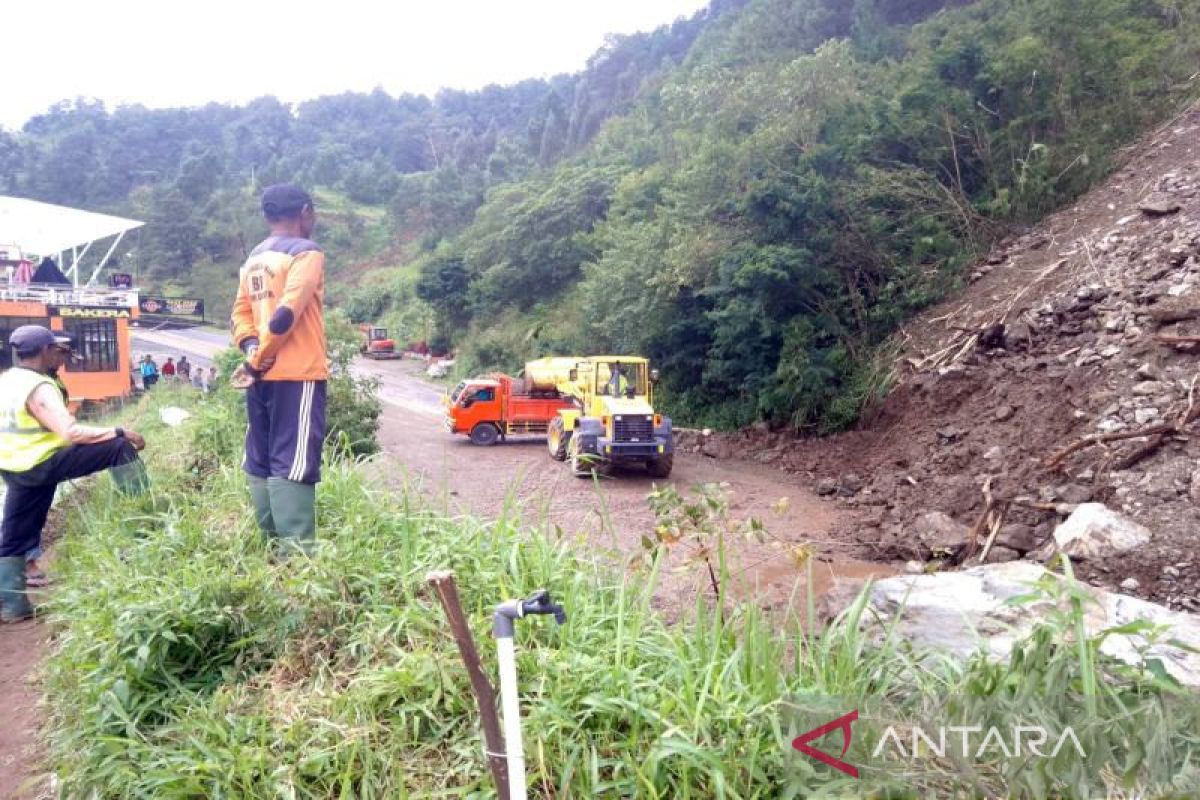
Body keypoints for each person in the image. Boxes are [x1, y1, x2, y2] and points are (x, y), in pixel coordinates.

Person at [0, 326, 148, 622]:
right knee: (117, 447)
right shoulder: (39, 387)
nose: (60, 355)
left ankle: (12, 606)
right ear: (45, 351)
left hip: (13, 466)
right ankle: (145, 516)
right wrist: (119, 430)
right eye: (56, 350)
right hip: (42, 461)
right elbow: (70, 432)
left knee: (15, 534)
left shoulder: (8, 380)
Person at [230, 184, 328, 556]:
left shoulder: (254, 258)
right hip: (297, 373)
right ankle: (299, 558)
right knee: (295, 459)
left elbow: (240, 314)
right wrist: (261, 356)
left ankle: (272, 550)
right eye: (312, 213)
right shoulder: (307, 253)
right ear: (304, 211)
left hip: (259, 377)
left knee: (262, 454)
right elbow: (289, 312)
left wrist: (252, 350)